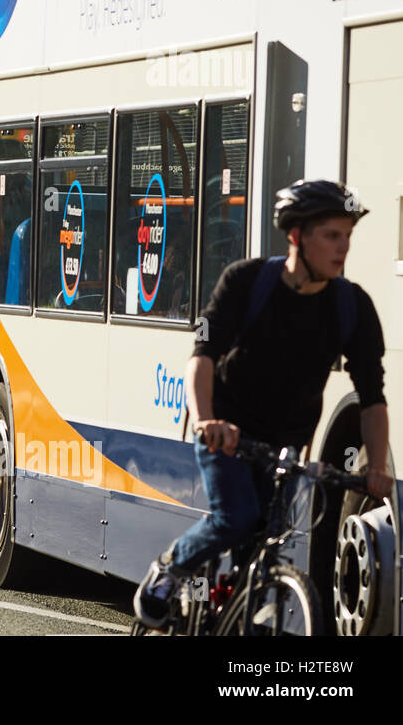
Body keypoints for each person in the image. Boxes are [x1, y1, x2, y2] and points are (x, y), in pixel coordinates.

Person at [134, 179, 392, 628]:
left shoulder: (352, 307)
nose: (343, 247)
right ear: (297, 236)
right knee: (235, 520)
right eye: (332, 235)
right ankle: (170, 567)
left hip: (285, 444)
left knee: (266, 544)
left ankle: (236, 619)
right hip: (226, 428)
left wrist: (376, 470)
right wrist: (206, 419)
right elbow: (203, 357)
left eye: (347, 236)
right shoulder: (246, 281)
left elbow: (373, 398)